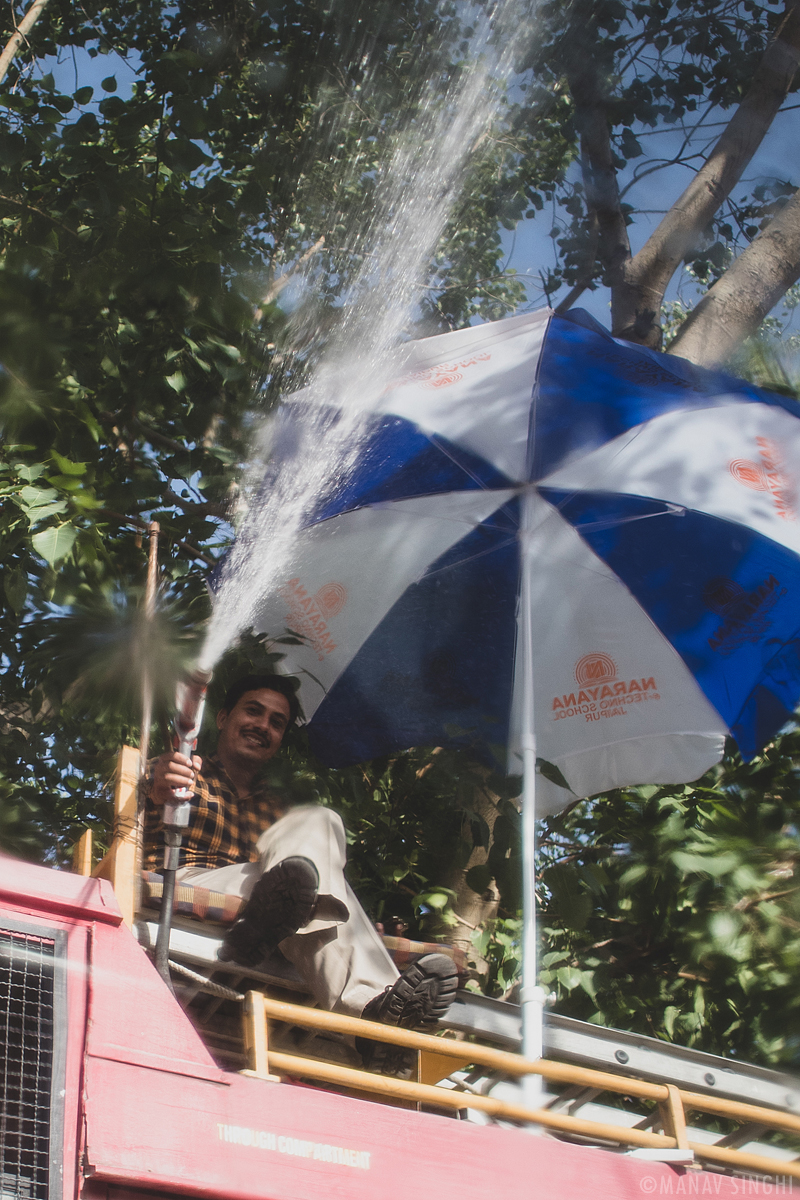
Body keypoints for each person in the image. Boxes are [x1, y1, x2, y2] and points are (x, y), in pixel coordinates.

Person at [144, 673, 457, 1065]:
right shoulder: (181, 770)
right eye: (254, 711)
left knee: (319, 823)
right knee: (312, 892)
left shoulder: (279, 809)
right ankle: (370, 1018)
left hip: (269, 896)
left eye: (277, 723)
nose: (263, 726)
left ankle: (374, 1016)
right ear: (222, 718)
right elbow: (144, 795)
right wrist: (158, 784)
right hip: (187, 881)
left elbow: (302, 872)